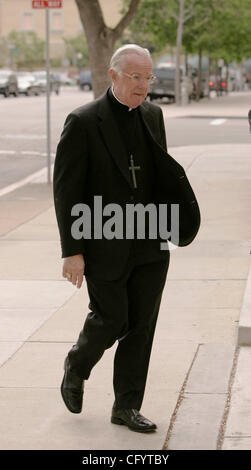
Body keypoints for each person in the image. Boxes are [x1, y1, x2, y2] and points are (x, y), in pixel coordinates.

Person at [53, 44, 200, 433]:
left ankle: (126, 406)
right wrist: (72, 252)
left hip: (151, 239)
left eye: (147, 77)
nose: (143, 86)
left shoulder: (153, 115)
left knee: (142, 325)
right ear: (113, 75)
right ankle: (78, 362)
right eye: (135, 77)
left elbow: (162, 174)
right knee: (112, 317)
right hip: (102, 237)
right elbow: (67, 191)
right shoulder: (83, 121)